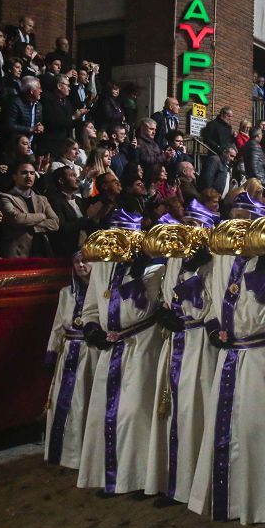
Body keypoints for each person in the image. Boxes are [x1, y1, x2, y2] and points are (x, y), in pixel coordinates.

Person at [187, 192, 265, 523]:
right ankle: (227, 498)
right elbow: (210, 300)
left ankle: (261, 503)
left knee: (259, 426)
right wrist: (214, 325)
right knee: (226, 426)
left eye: (245, 219)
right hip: (230, 356)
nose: (237, 226)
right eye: (233, 218)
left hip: (261, 356)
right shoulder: (220, 259)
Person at [77, 208, 166, 494]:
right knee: (105, 413)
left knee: (134, 412)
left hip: (141, 344)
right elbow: (91, 305)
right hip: (112, 347)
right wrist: (92, 328)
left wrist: (139, 276)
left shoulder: (153, 268)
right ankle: (108, 476)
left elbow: (146, 306)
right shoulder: (102, 266)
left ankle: (138, 479)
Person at [144, 200, 218, 507]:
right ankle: (168, 481)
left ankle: (191, 484)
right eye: (184, 223)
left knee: (192, 410)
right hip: (176, 340)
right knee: (170, 410)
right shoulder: (175, 257)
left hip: (198, 342)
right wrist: (162, 310)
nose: (186, 230)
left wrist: (192, 277)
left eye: (193, 224)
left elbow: (210, 304)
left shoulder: (213, 260)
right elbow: (164, 292)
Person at [44, 252, 97, 470]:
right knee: (64, 403)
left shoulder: (101, 292)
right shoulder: (66, 293)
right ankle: (64, 454)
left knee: (84, 402)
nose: (81, 265)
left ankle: (84, 456)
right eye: (76, 262)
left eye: (85, 260)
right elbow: (58, 324)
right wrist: (52, 351)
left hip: (90, 354)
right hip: (68, 354)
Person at [0, 162, 60, 258]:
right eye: (24, 173)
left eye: (32, 173)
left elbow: (55, 223)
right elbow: (16, 219)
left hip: (42, 251)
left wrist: (27, 224)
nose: (29, 176)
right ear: (15, 177)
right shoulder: (5, 197)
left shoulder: (42, 199)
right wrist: (42, 216)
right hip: (17, 254)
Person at [47, 165, 89, 258]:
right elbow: (62, 227)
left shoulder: (79, 200)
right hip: (67, 252)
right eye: (72, 176)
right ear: (61, 181)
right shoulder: (54, 201)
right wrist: (86, 219)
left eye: (76, 175)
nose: (77, 179)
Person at [40, 75, 84, 156]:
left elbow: (70, 123)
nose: (69, 88)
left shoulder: (67, 102)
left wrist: (78, 117)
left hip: (65, 144)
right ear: (59, 86)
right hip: (51, 144)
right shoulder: (47, 99)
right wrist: (73, 117)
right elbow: (52, 121)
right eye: (67, 85)